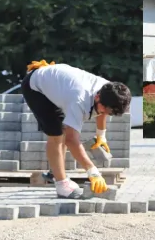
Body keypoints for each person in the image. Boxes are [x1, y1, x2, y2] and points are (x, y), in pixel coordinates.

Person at [21, 60, 132, 199]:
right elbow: (71, 140)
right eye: (104, 109)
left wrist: (101, 135)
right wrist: (93, 172)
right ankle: (62, 185)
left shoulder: (108, 89)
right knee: (56, 134)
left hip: (56, 82)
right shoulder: (79, 99)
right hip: (35, 87)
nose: (104, 113)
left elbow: (103, 111)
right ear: (97, 97)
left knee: (61, 130)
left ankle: (55, 171)